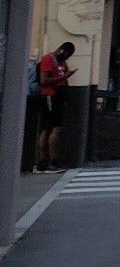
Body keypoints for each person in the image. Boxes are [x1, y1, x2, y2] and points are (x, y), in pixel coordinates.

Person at [33, 41, 75, 172]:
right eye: (67, 55)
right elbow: (44, 80)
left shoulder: (61, 63)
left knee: (50, 128)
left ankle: (45, 161)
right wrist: (64, 76)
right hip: (49, 96)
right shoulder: (48, 59)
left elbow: (63, 79)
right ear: (62, 50)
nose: (67, 58)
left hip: (58, 98)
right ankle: (49, 161)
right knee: (52, 129)